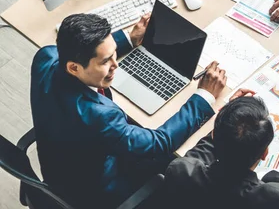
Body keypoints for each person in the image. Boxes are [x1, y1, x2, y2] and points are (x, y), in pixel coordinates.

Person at [30, 13, 226, 208]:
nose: (116, 65)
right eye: (105, 61)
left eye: (113, 53)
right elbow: (159, 142)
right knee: (176, 160)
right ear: (74, 68)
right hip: (94, 190)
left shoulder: (46, 56)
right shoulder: (100, 116)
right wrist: (203, 97)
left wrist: (128, 40)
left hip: (58, 164)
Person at [164, 96, 279, 209]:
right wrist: (270, 177)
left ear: (214, 135)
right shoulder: (274, 197)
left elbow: (204, 149)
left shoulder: (182, 170)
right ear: (265, 153)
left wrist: (230, 119)